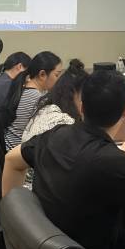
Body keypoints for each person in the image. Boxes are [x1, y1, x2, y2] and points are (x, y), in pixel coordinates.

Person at [2, 70, 125, 249]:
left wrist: (15, 223)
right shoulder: (114, 161)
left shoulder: (54, 135)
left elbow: (11, 160)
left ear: (82, 107)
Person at [21, 59, 90, 189]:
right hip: (38, 189)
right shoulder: (63, 122)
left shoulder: (47, 108)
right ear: (73, 94)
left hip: (28, 187)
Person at [3, 51, 62, 151]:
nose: (58, 80)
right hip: (17, 151)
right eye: (57, 75)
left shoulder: (24, 88)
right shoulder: (38, 98)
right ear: (42, 74)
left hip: (7, 146)